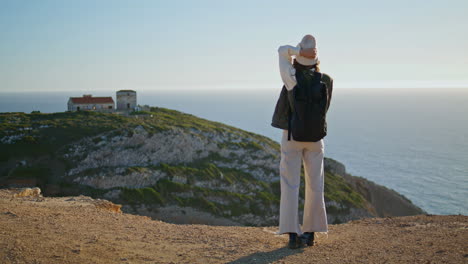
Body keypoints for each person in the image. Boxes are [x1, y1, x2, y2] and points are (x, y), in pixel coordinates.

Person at [271, 34, 333, 249]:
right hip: (316, 138)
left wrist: (297, 50)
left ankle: (292, 235)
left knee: (290, 185)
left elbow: (281, 51)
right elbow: (324, 110)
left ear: (299, 58)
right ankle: (310, 233)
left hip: (292, 136)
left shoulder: (291, 76)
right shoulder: (326, 80)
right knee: (315, 185)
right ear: (316, 59)